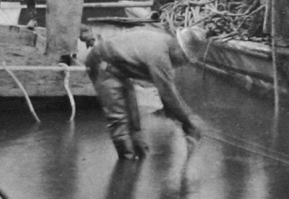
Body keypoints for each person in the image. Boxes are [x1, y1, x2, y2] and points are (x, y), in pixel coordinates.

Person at [85, 26, 207, 160]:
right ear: (179, 48)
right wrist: (189, 121)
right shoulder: (159, 55)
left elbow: (166, 93)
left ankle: (137, 153)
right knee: (119, 120)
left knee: (134, 120)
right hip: (103, 65)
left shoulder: (165, 43)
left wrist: (181, 118)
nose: (184, 63)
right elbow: (167, 93)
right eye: (185, 58)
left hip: (120, 68)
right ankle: (127, 161)